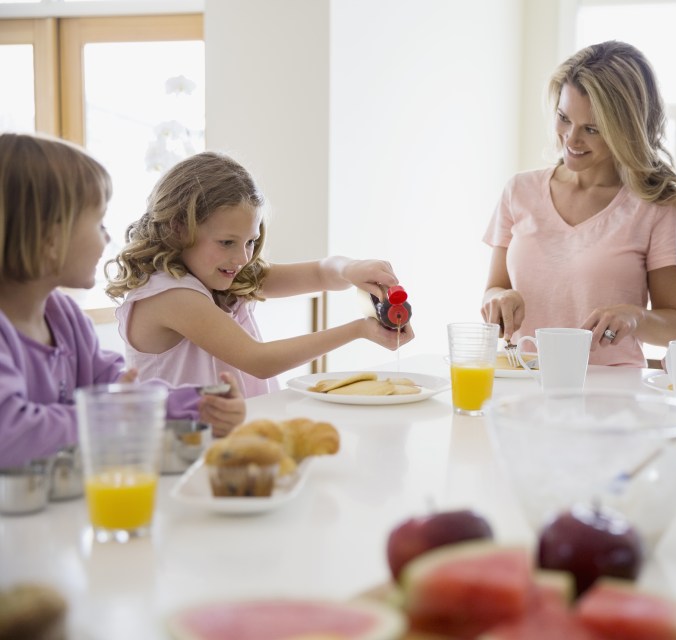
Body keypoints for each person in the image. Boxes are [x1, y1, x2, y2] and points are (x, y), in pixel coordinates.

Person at [0, 133, 246, 468]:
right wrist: (113, 415)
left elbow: (118, 388)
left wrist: (200, 403)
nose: (107, 237)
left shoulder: (65, 318)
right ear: (49, 237)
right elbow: (11, 434)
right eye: (99, 222)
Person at [105, 151, 413, 397]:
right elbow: (258, 361)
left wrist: (352, 269)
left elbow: (320, 273)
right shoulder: (170, 294)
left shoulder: (219, 275)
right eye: (227, 242)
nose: (242, 257)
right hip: (185, 455)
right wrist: (359, 330)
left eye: (250, 241)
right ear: (178, 228)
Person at [481, 41, 676, 367]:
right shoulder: (519, 191)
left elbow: (675, 324)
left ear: (627, 130)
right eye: (564, 118)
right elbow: (493, 289)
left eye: (592, 129)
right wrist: (499, 299)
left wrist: (634, 318)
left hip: (611, 394)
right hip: (522, 383)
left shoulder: (658, 206)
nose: (571, 139)